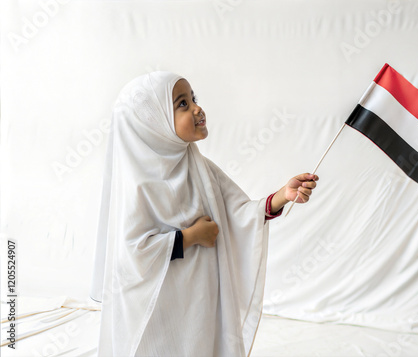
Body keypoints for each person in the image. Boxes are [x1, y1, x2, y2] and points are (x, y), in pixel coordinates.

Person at [89, 71, 318, 357]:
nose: (197, 108)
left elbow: (238, 212)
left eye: (193, 98)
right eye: (182, 104)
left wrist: (283, 195)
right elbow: (132, 254)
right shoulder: (137, 185)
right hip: (158, 308)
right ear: (152, 123)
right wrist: (190, 236)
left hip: (199, 298)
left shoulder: (199, 166)